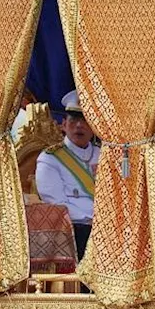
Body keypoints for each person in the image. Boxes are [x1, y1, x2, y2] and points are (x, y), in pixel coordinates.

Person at [35, 91, 99, 259]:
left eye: (85, 120)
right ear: (63, 125)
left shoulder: (105, 156)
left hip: (105, 225)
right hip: (75, 227)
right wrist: (93, 219)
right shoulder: (50, 159)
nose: (79, 126)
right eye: (73, 119)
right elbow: (57, 204)